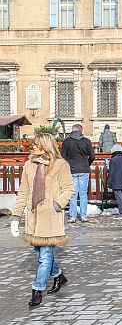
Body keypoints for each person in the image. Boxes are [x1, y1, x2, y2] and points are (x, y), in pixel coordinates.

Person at [10, 133, 75, 307]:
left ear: (46, 146)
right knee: (40, 253)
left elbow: (69, 189)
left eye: (36, 144)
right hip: (34, 216)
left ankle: (37, 289)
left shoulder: (60, 165)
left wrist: (57, 204)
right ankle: (59, 276)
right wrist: (16, 217)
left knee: (44, 256)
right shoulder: (28, 166)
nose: (33, 147)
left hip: (50, 216)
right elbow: (23, 193)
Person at [60, 124, 95, 223]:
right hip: (84, 169)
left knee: (73, 193)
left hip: (72, 169)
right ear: (81, 130)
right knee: (83, 193)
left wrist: (68, 165)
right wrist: (88, 163)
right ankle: (83, 216)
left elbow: (62, 156)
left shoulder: (67, 141)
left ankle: (72, 216)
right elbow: (92, 155)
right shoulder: (86, 141)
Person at [107, 144, 122, 218]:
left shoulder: (113, 160)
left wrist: (109, 182)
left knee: (119, 197)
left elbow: (111, 172)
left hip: (116, 181)